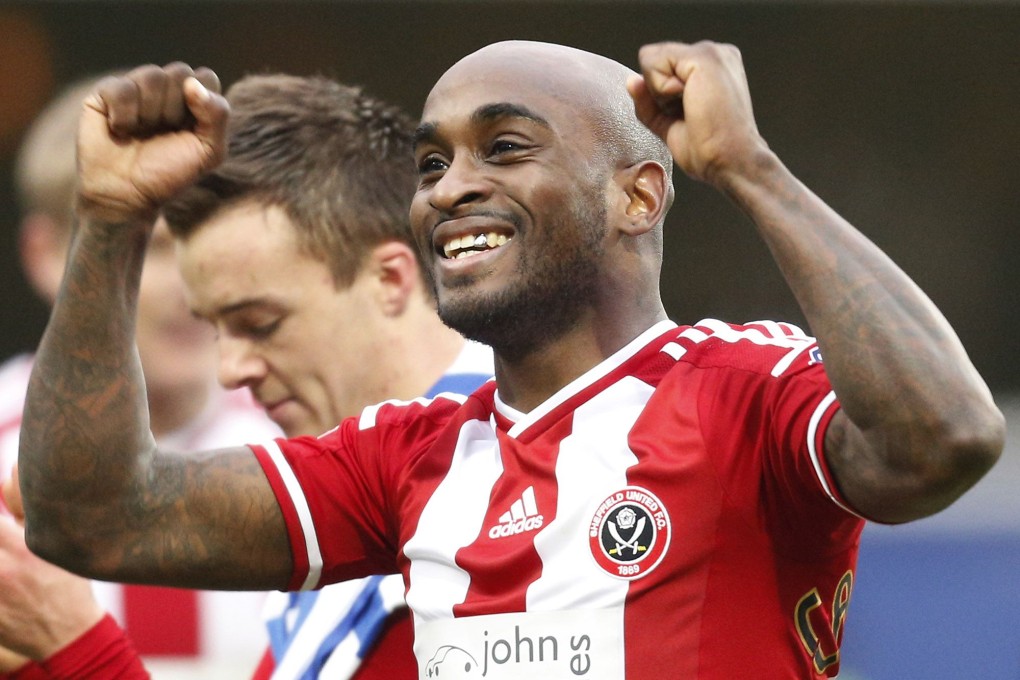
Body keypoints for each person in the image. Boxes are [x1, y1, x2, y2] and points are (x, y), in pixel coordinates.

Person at [17, 40, 1005, 678]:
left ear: (639, 195)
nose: (452, 187)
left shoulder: (744, 385)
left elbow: (943, 439)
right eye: (434, 162)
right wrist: (111, 218)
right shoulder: (405, 456)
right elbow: (94, 516)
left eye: (504, 146)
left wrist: (751, 168)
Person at [162, 73, 492, 678]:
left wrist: (72, 649)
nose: (229, 371)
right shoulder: (327, 490)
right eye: (215, 329)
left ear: (390, 280)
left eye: (259, 323)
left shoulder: (503, 488)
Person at [1, 74, 281, 678]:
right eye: (150, 247)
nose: (186, 287)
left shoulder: (309, 442)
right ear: (45, 255)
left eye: (200, 244)